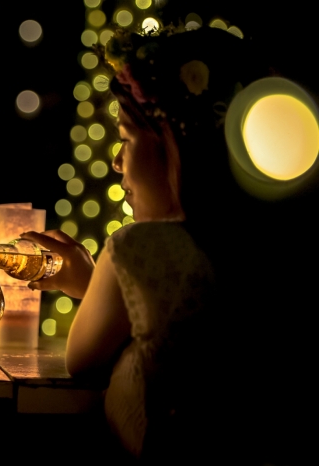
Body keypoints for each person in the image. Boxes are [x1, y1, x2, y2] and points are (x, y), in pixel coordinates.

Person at [22, 24, 315, 465]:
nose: (117, 162)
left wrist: (99, 275)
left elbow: (80, 360)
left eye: (125, 139)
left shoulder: (138, 249)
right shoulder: (279, 243)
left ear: (175, 145)